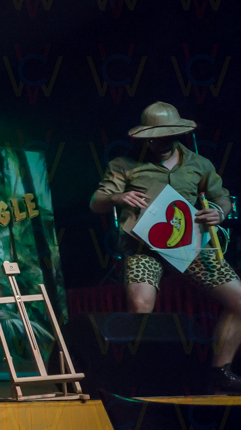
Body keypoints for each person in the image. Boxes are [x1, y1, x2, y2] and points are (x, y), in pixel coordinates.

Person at [90, 101, 241, 392]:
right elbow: (96, 202)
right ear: (145, 137)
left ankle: (220, 371)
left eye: (167, 136)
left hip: (190, 246)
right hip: (143, 248)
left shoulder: (199, 164)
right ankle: (142, 376)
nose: (161, 143)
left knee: (239, 300)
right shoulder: (124, 165)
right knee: (140, 305)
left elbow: (222, 198)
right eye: (155, 138)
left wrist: (218, 212)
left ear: (177, 134)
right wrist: (117, 198)